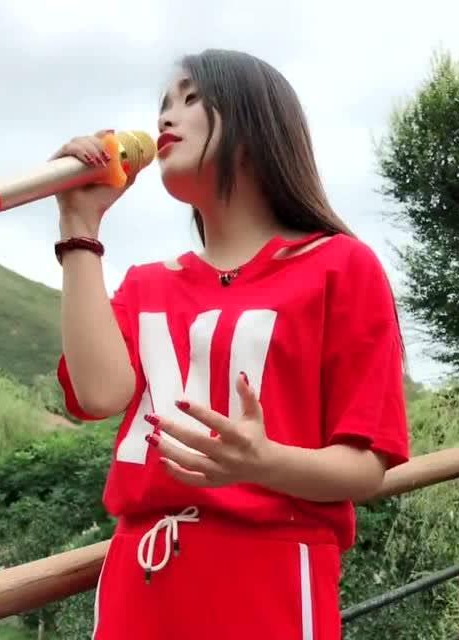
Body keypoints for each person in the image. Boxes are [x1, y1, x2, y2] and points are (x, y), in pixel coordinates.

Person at [53, 49, 409, 640]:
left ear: (256, 123)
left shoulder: (341, 267)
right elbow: (98, 395)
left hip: (270, 581)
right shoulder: (146, 284)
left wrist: (263, 463)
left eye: (192, 98)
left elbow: (366, 467)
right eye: (163, 104)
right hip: (139, 581)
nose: (167, 117)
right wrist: (78, 226)